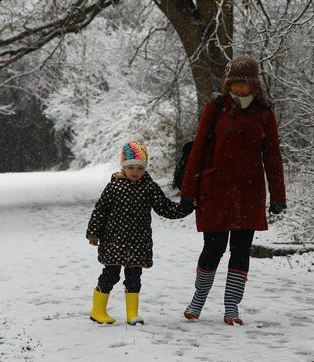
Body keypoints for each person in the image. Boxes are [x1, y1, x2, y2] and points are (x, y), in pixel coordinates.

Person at [179, 56, 286, 325]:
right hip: (215, 192)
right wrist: (189, 191)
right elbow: (199, 149)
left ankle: (231, 307)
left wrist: (278, 196)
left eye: (244, 84)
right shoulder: (216, 108)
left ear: (254, 85)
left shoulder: (264, 112)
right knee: (212, 249)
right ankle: (198, 299)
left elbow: (273, 156)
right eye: (235, 83)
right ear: (229, 84)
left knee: (240, 252)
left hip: (249, 196)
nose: (239, 88)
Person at [87, 140, 194, 325]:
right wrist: (94, 233)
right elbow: (100, 210)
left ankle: (132, 314)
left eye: (140, 168)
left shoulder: (149, 187)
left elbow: (165, 208)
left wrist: (186, 207)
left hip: (138, 242)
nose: (135, 172)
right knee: (110, 275)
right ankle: (98, 310)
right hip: (114, 240)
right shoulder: (114, 187)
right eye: (131, 168)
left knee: (134, 278)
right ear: (123, 167)